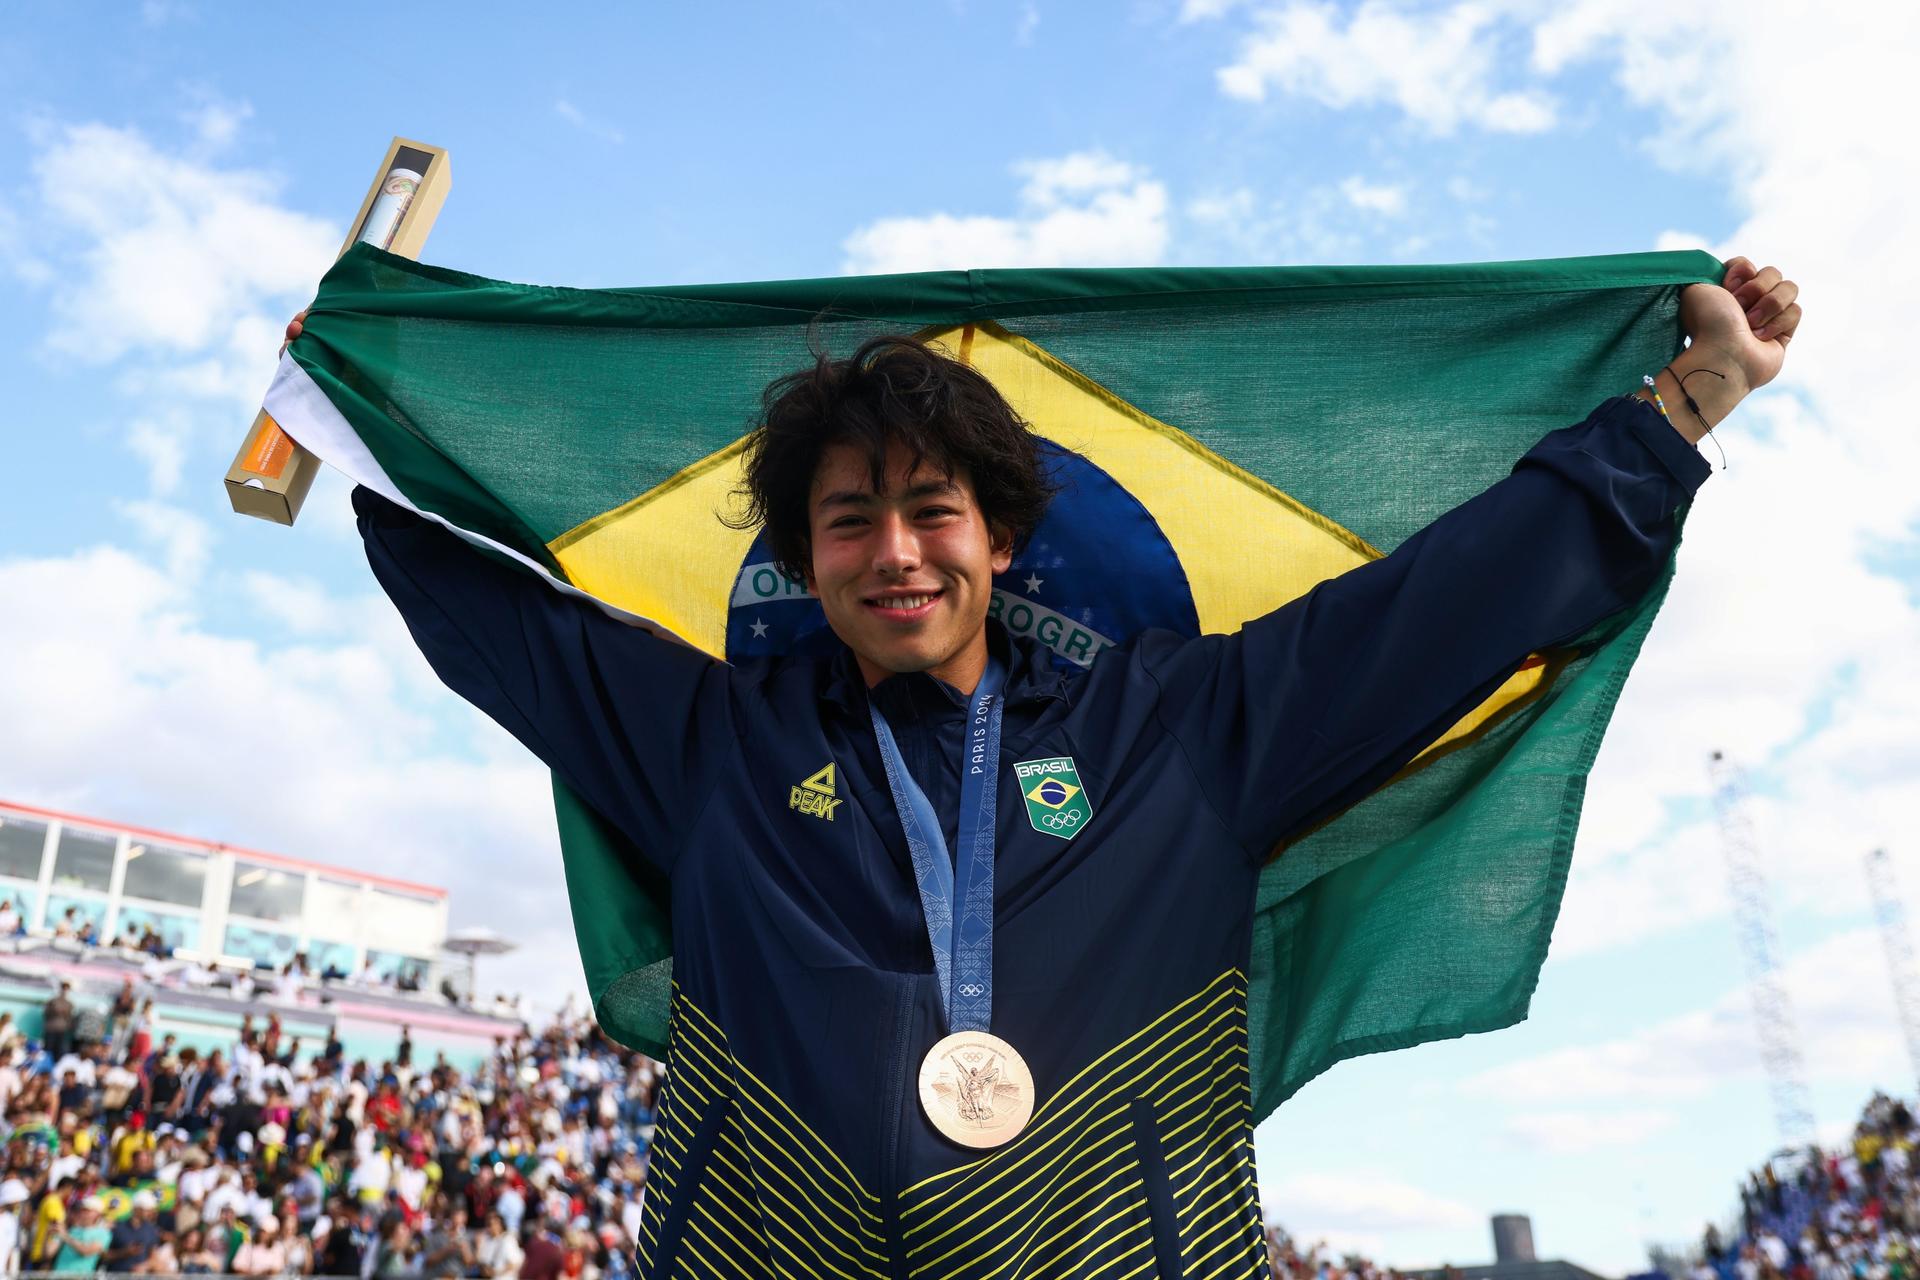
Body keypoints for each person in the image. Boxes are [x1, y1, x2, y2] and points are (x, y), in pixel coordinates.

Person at [308, 259, 1804, 1277]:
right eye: (847, 520)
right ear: (804, 560)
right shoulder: (715, 746)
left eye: (929, 509)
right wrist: (329, 408)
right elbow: (500, 619)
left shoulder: (1185, 734)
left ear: (1000, 536)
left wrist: (1681, 410)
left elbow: (1441, 611)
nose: (894, 552)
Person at [49, 1199, 111, 1274]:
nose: (82, 1213)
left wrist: (65, 1235)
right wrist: (49, 1235)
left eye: (87, 1210)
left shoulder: (103, 1233)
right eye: (81, 1210)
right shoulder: (71, 1230)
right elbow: (48, 1253)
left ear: (97, 1214)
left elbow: (86, 1252)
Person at [41, 983, 75, 1062]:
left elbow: (70, 1018)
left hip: (62, 1030)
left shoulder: (69, 1003)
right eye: (64, 988)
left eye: (67, 989)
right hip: (51, 1029)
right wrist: (54, 1011)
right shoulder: (53, 1001)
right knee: (48, 1049)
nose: (65, 991)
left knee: (59, 1051)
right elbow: (45, 1014)